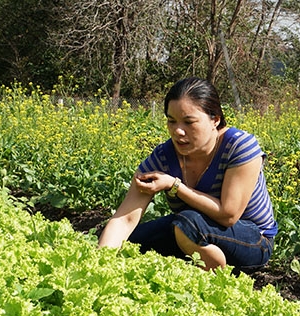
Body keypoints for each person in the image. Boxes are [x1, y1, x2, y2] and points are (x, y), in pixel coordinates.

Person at [98, 77, 278, 272]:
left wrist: (175, 186)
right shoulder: (164, 157)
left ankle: (215, 274)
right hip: (190, 232)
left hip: (252, 239)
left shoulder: (239, 146)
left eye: (189, 122)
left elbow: (229, 215)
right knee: (126, 242)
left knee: (187, 222)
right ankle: (197, 260)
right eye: (171, 121)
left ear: (215, 120)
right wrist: (100, 263)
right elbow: (124, 219)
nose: (178, 131)